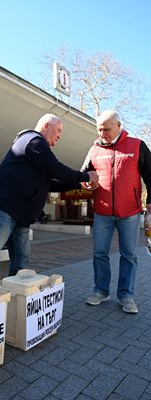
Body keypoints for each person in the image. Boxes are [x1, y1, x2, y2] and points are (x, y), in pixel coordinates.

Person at [0, 113, 98, 280]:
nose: (59, 136)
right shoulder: (33, 141)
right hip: (4, 209)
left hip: (21, 214)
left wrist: (78, 184)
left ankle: (16, 296)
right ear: (46, 126)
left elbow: (50, 183)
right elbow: (56, 168)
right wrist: (85, 177)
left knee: (21, 261)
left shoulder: (37, 153)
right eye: (58, 130)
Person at [81, 110, 151, 314]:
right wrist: (87, 182)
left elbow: (150, 175)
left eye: (106, 129)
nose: (102, 133)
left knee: (128, 255)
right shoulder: (94, 149)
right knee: (99, 253)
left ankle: (126, 295)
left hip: (129, 212)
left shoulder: (137, 145)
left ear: (119, 126)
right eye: (99, 129)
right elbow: (84, 173)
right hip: (102, 212)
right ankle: (101, 291)